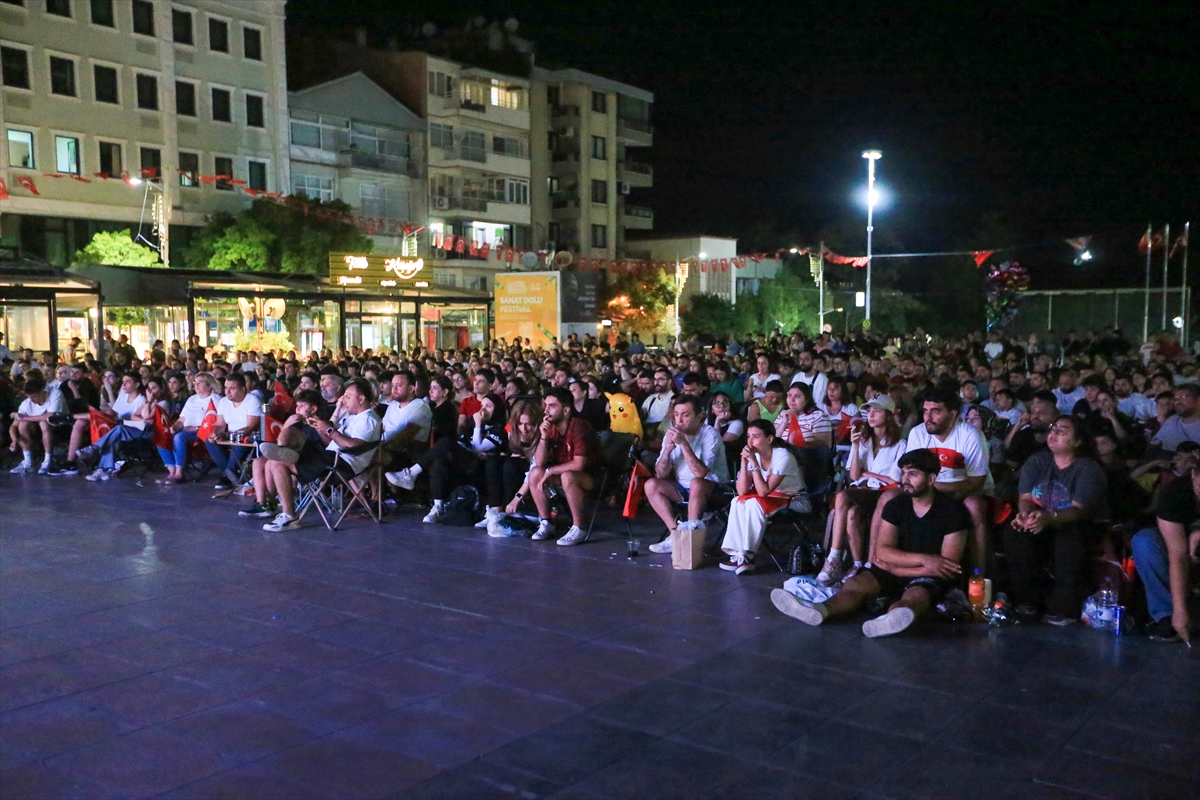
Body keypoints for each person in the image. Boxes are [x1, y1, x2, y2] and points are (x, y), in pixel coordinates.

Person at [770, 449, 969, 637]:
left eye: (913, 474)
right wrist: (922, 561)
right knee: (856, 585)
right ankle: (819, 609)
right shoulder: (896, 505)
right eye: (903, 473)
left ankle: (889, 619)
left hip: (924, 576)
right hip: (897, 568)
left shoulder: (951, 512)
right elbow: (882, 552)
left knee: (914, 596)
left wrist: (902, 568)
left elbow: (945, 568)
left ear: (931, 479)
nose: (905, 479)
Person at [1003, 415, 1108, 625]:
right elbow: (1025, 498)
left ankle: (1064, 607)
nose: (1054, 434)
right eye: (1053, 429)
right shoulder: (1036, 461)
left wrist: (1049, 518)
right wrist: (1025, 516)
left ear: (1077, 441)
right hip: (1042, 520)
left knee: (1070, 535)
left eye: (1062, 431)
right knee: (1015, 532)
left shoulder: (1087, 468)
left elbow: (1079, 510)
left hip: (1075, 522)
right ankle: (1026, 602)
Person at [261, 378, 381, 532]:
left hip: (341, 464)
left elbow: (352, 445)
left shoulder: (369, 419)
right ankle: (287, 451)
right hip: (329, 457)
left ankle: (290, 516)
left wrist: (330, 430)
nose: (343, 400)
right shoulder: (352, 417)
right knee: (291, 434)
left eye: (348, 397)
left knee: (276, 462)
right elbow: (330, 442)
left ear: (361, 398)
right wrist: (321, 429)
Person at [897, 386, 993, 574]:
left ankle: (979, 574)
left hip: (967, 493)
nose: (928, 417)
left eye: (936, 412)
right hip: (928, 491)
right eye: (925, 411)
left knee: (974, 506)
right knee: (889, 498)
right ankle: (874, 565)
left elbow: (976, 482)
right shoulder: (918, 433)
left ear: (952, 414)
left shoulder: (969, 435)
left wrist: (935, 488)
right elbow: (910, 472)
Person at [819, 396, 906, 584]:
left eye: (878, 411)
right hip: (863, 492)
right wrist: (856, 446)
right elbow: (855, 475)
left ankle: (833, 557)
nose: (871, 414)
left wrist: (868, 474)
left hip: (884, 494)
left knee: (842, 495)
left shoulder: (900, 444)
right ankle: (858, 564)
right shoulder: (864, 440)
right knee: (851, 514)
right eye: (870, 411)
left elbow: (895, 479)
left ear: (889, 415)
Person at [718, 419, 808, 575]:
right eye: (748, 436)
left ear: (769, 439)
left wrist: (753, 462)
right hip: (770, 498)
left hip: (794, 499)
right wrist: (744, 463)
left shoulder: (783, 456)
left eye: (756, 436)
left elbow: (763, 492)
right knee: (736, 501)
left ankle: (748, 555)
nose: (750, 441)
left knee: (753, 503)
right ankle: (736, 554)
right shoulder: (756, 455)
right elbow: (741, 491)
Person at [644, 396, 729, 555]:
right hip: (682, 488)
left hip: (715, 490)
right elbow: (660, 474)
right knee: (651, 484)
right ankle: (676, 534)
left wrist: (683, 443)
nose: (679, 420)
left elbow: (701, 473)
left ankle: (691, 539)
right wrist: (667, 451)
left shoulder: (709, 434)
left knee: (696, 483)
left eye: (685, 415)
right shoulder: (671, 433)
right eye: (676, 414)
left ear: (699, 417)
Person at [1131, 464, 1199, 644]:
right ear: (1193, 475)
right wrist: (1179, 610)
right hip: (1180, 545)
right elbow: (1178, 555)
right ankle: (1167, 614)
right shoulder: (1175, 493)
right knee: (1144, 542)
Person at [526, 387, 598, 546]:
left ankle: (580, 527)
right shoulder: (549, 427)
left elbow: (579, 465)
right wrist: (543, 438)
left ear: (566, 410)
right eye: (545, 406)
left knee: (568, 476)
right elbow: (539, 462)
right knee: (535, 473)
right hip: (564, 473)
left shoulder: (579, 426)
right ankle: (547, 522)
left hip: (592, 476)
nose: (546, 410)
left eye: (552, 406)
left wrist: (551, 471)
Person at [155, 373, 219, 484]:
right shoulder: (191, 399)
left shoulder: (216, 399)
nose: (196, 385)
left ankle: (179, 474)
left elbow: (216, 421)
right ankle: (172, 472)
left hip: (202, 432)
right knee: (162, 435)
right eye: (195, 383)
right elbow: (182, 420)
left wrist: (197, 427)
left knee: (179, 437)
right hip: (186, 430)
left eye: (200, 382)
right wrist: (174, 427)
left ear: (209, 385)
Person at [206, 374, 264, 490]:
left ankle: (227, 477)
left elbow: (251, 426)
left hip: (249, 437)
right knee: (210, 441)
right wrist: (216, 433)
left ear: (243, 389)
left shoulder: (252, 400)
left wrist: (227, 435)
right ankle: (231, 474)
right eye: (226, 388)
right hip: (230, 436)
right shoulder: (223, 402)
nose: (227, 392)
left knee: (239, 443)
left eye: (232, 388)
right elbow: (219, 424)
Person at [8, 371, 67, 475]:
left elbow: (51, 416)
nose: (31, 400)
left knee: (44, 423)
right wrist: (14, 440)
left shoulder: (55, 393)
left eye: (34, 397)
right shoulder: (26, 403)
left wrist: (25, 418)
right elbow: (13, 426)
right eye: (29, 397)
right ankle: (28, 461)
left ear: (42, 391)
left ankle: (47, 460)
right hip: (36, 430)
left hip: (60, 424)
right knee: (22, 424)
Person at [773, 383, 833, 450]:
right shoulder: (783, 414)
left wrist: (796, 446)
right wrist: (784, 422)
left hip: (805, 456)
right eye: (789, 395)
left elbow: (824, 444)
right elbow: (773, 440)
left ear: (806, 399)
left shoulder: (818, 415)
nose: (792, 400)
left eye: (797, 396)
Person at [1148, 384, 1200, 455]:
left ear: (1198, 400)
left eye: (1183, 397)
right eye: (1175, 399)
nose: (1178, 402)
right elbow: (1154, 444)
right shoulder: (1173, 420)